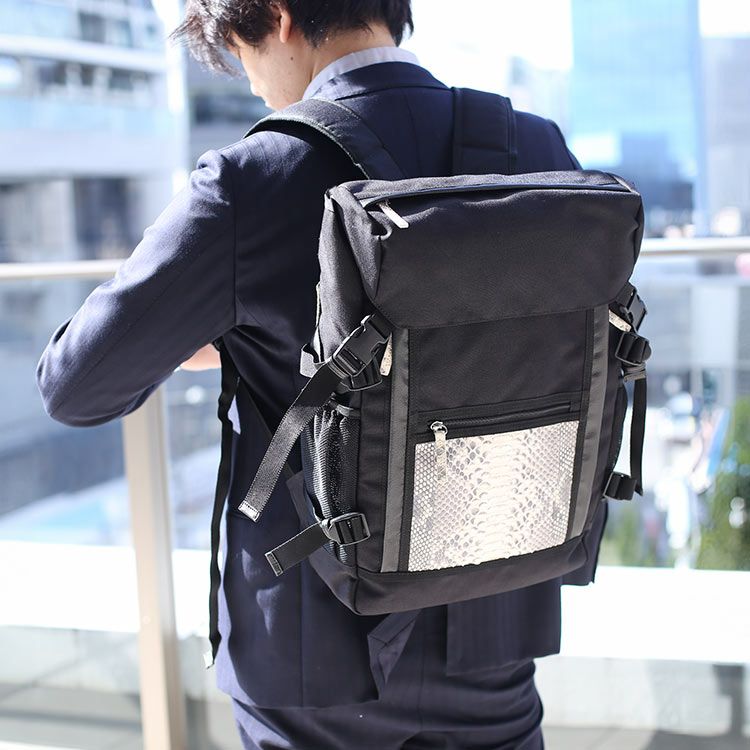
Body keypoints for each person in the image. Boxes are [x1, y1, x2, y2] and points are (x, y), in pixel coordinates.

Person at [36, 1, 607, 747]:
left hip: (314, 647)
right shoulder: (532, 145)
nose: (251, 83)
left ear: (277, 17)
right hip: (493, 620)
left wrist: (230, 333)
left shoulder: (254, 178)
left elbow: (75, 384)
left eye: (240, 54)